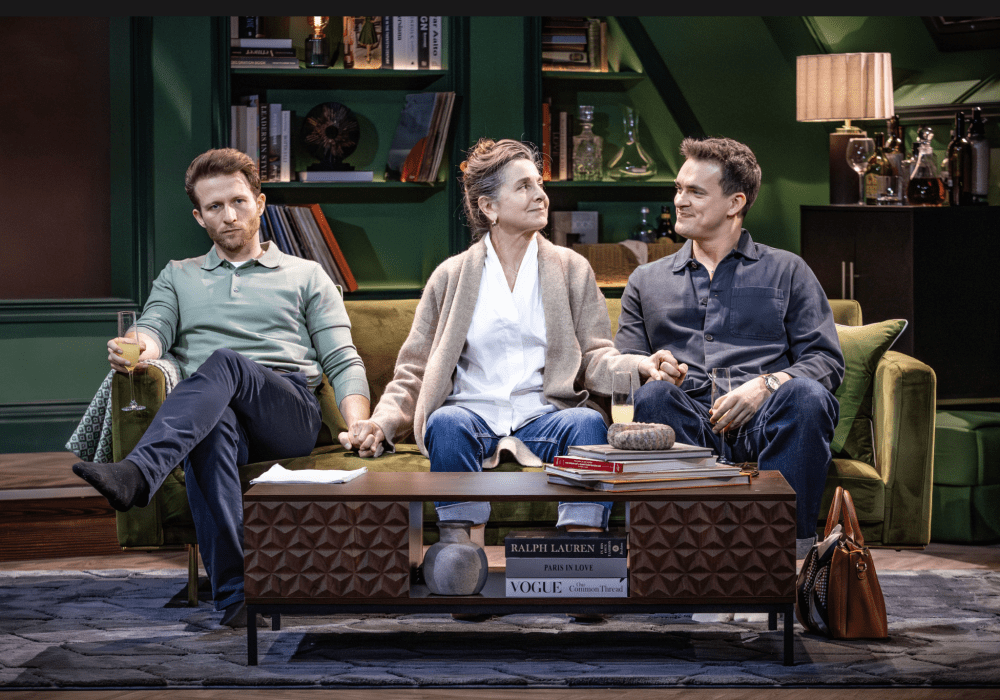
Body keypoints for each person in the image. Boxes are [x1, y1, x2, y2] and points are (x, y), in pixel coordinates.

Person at [72, 148, 372, 627]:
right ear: (199, 217)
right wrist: (136, 345)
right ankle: (238, 598)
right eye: (214, 206)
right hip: (213, 410)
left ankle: (138, 473)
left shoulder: (306, 275)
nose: (229, 216)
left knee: (225, 362)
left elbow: (342, 359)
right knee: (209, 433)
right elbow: (154, 327)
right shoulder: (178, 275)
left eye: (238, 201)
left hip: (288, 411)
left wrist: (360, 425)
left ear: (260, 203)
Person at [343, 138, 671, 541]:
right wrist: (381, 422)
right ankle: (462, 552)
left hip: (545, 415)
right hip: (472, 414)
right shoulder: (450, 276)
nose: (540, 195)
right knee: (445, 422)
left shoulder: (573, 269)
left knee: (587, 422)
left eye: (539, 184)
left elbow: (595, 355)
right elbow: (415, 370)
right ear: (489, 207)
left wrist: (639, 365)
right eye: (524, 187)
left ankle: (581, 552)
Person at [614, 136, 844, 560]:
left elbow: (826, 360)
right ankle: (683, 556)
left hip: (767, 423)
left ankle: (787, 558)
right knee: (652, 397)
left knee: (807, 395)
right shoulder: (646, 280)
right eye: (678, 189)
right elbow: (625, 365)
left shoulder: (788, 270)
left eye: (695, 192)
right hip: (686, 424)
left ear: (735, 203)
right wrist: (652, 367)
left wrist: (767, 385)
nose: (679, 201)